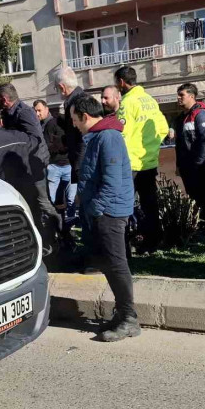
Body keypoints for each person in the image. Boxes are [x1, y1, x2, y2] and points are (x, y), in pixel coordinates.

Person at [70, 95, 139, 342]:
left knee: (117, 264)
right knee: (109, 264)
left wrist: (96, 208)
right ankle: (122, 314)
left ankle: (130, 319)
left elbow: (112, 181)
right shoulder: (99, 136)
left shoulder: (108, 137)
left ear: (85, 116)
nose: (74, 125)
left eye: (74, 119)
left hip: (110, 212)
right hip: (103, 210)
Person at [0, 83, 62, 247]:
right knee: (32, 205)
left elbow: (36, 139)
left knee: (43, 203)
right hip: (22, 168)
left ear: (3, 99)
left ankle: (63, 235)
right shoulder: (9, 113)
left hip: (34, 166)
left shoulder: (24, 112)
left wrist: (14, 143)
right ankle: (43, 240)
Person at [114, 66, 170, 254]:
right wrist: (152, 147)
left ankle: (127, 244)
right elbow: (163, 128)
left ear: (121, 82)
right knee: (150, 204)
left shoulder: (127, 103)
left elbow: (121, 133)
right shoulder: (150, 100)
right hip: (149, 161)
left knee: (125, 205)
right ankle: (152, 242)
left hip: (132, 163)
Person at [173, 83, 205, 241]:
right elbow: (179, 144)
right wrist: (179, 164)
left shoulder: (200, 114)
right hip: (186, 166)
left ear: (191, 96)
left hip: (199, 165)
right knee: (193, 197)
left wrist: (198, 163)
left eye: (181, 95)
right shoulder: (180, 118)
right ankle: (196, 228)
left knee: (203, 196)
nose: (179, 98)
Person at [54, 66, 85, 214]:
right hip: (81, 160)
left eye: (56, 88)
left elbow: (83, 135)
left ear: (62, 87)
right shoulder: (79, 99)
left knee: (86, 203)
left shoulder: (76, 102)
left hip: (82, 162)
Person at [35, 99, 74, 214]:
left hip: (65, 165)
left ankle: (68, 221)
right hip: (54, 166)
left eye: (39, 110)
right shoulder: (41, 125)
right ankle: (57, 222)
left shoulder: (55, 123)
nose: (37, 114)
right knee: (53, 198)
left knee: (69, 199)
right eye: (35, 111)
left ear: (47, 109)